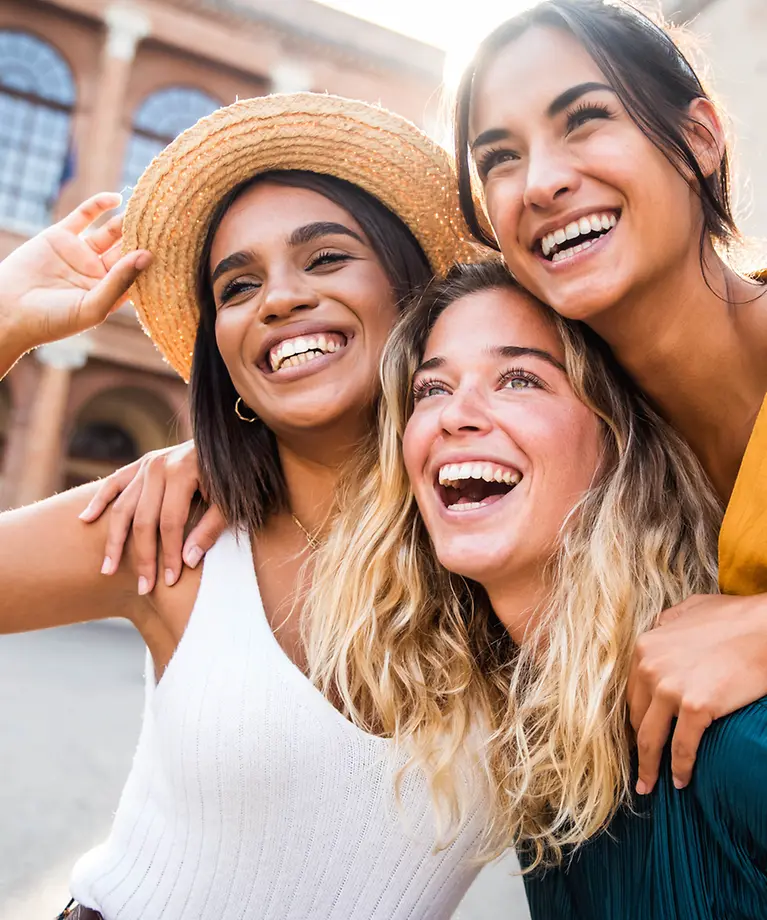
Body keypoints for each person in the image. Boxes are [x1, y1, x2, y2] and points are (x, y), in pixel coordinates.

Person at [0, 93, 485, 920]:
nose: (278, 299)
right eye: (238, 285)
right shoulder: (170, 535)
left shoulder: (512, 543)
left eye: (327, 258)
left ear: (413, 296)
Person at [309, 258, 767, 918]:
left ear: (619, 438)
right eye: (430, 390)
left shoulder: (725, 729)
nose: (454, 417)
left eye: (519, 379)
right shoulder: (545, 749)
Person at [452, 0, 767, 797]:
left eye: (585, 119)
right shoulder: (578, 448)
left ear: (698, 137)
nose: (542, 182)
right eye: (499, 158)